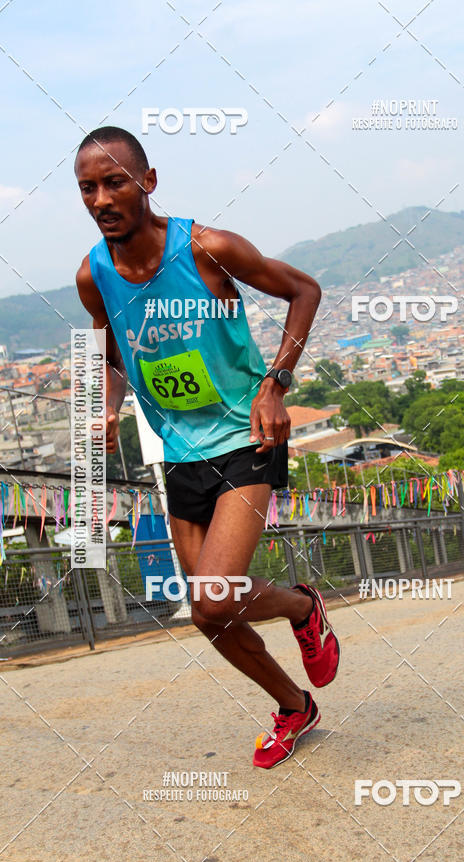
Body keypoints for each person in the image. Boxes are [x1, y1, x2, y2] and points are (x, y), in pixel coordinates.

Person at [74, 126, 340, 769]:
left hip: (246, 436)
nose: (102, 198)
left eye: (115, 181)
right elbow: (111, 348)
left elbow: (304, 290)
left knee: (217, 594)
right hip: (178, 452)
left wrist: (276, 383)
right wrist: (109, 406)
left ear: (148, 181)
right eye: (88, 188)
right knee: (207, 615)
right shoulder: (93, 275)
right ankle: (293, 708)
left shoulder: (206, 249)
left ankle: (304, 606)